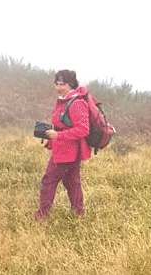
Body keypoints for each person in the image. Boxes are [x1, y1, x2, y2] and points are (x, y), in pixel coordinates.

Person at [36, 69, 92, 219]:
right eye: (57, 84)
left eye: (62, 84)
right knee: (72, 183)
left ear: (71, 84)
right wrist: (50, 134)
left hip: (67, 152)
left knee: (49, 181)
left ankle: (41, 216)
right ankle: (78, 214)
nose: (59, 87)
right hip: (66, 150)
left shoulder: (76, 103)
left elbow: (83, 129)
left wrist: (58, 135)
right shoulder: (65, 101)